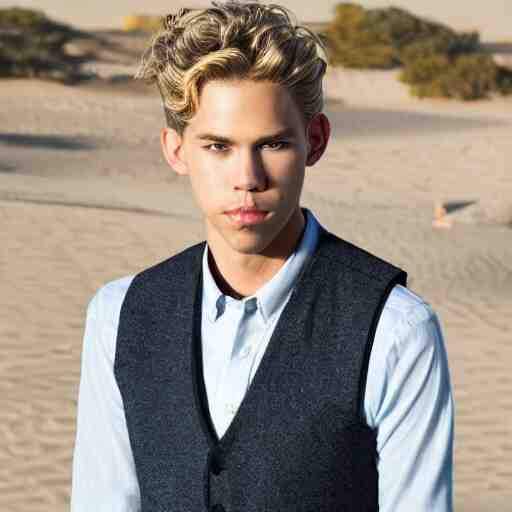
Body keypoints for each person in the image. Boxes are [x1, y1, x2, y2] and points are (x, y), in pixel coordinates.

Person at [70, 2, 454, 511]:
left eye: (272, 144)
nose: (247, 178)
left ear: (314, 142)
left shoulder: (396, 331)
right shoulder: (119, 315)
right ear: (176, 150)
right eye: (217, 146)